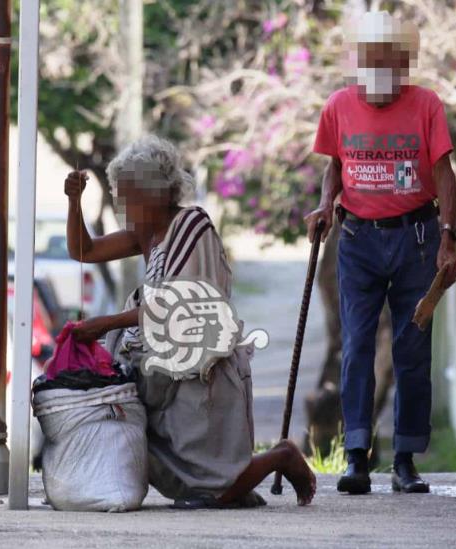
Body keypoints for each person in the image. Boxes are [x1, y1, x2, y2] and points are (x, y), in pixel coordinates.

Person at [64, 134, 316, 507]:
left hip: (203, 374)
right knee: (192, 482)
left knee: (215, 485)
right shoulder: (143, 235)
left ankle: (282, 457)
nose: (126, 205)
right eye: (123, 195)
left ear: (163, 193)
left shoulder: (191, 224)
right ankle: (254, 478)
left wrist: (105, 324)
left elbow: (180, 303)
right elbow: (83, 250)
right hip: (163, 373)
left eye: (133, 195)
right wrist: (74, 202)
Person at [305, 11, 456, 495]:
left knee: (412, 351)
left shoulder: (426, 105)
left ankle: (406, 461)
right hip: (358, 241)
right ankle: (356, 457)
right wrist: (325, 203)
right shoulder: (338, 105)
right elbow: (336, 164)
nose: (379, 71)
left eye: (389, 61)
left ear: (401, 63)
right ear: (361, 61)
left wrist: (448, 236)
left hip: (416, 240)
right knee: (356, 347)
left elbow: (444, 174)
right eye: (370, 59)